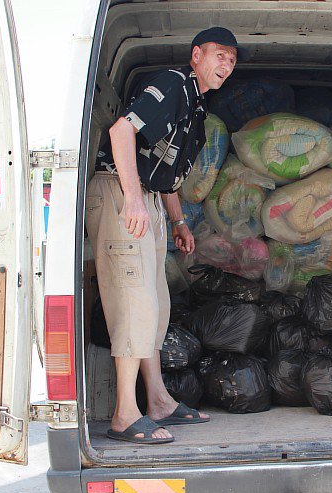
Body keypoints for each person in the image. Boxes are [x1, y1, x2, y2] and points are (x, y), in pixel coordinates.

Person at [86, 27, 248, 444]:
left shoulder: (196, 106)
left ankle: (158, 400)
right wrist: (133, 199)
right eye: (219, 55)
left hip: (149, 197)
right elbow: (121, 131)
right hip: (122, 191)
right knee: (135, 301)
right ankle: (125, 413)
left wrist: (178, 222)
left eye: (232, 60)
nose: (226, 64)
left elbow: (168, 174)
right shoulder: (174, 84)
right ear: (196, 55)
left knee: (155, 304)